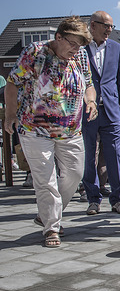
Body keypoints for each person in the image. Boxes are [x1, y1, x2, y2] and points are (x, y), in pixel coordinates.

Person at [4, 17, 98, 247]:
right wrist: (10, 115)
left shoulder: (81, 55)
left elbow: (88, 83)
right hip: (35, 129)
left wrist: (91, 101)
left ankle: (46, 214)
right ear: (58, 37)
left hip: (70, 129)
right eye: (73, 44)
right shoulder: (35, 52)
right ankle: (51, 228)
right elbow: (12, 83)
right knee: (46, 180)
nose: (76, 50)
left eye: (81, 46)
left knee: (75, 174)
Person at [82, 10, 120, 216]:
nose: (109, 30)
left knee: (115, 156)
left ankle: (118, 200)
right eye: (105, 26)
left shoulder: (116, 48)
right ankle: (93, 199)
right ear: (93, 25)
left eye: (112, 26)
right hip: (88, 111)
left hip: (111, 111)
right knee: (89, 156)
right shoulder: (81, 49)